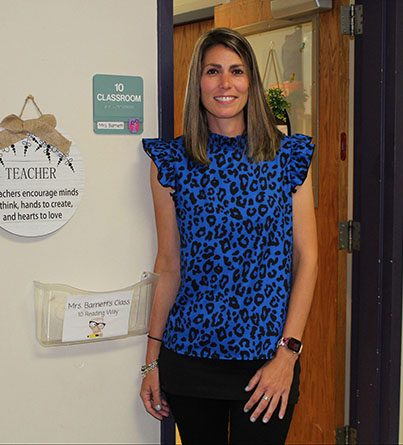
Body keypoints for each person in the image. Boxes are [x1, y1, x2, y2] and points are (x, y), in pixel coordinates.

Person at [140, 27, 318, 445]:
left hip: (267, 363)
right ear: (197, 83)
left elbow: (307, 259)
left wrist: (287, 355)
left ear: (251, 81)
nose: (225, 83)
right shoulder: (171, 162)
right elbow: (168, 264)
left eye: (237, 71)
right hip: (189, 359)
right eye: (213, 71)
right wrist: (151, 361)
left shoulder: (288, 157)